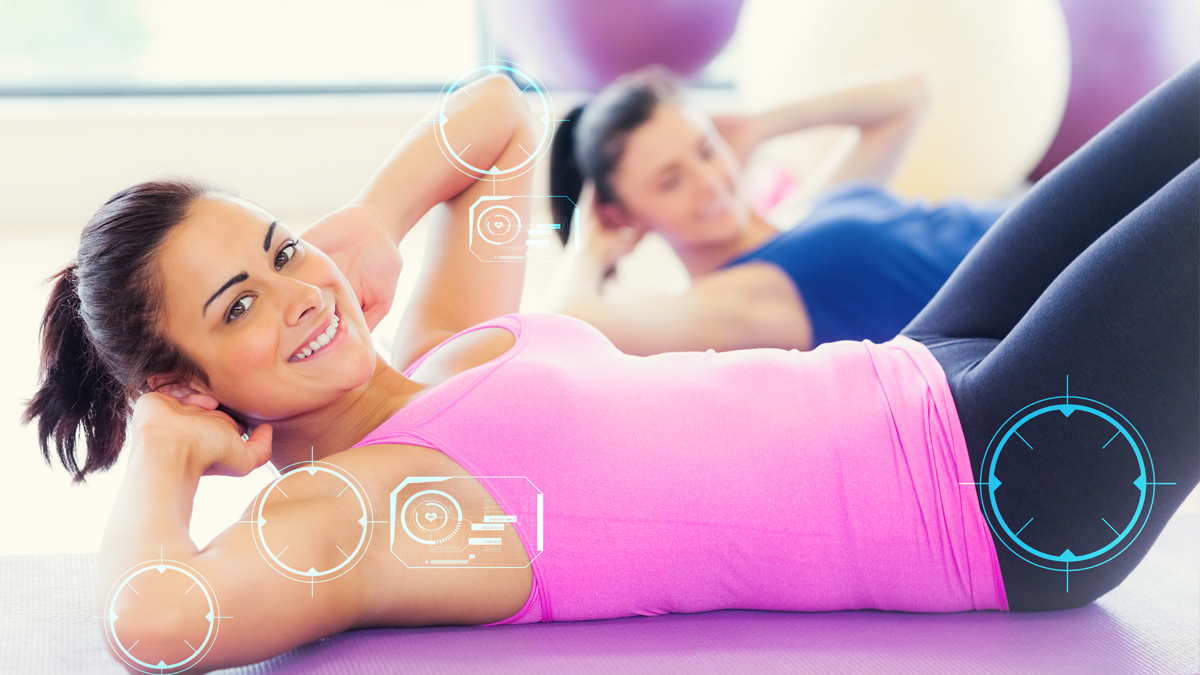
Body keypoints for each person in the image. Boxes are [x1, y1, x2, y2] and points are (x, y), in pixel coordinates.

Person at [22, 63, 1198, 673]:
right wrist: (167, 455)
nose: (300, 293)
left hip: (931, 367)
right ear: (189, 382)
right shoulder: (371, 511)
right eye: (241, 306)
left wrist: (376, 214)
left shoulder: (439, 349)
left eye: (279, 251)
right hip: (1011, 489)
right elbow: (156, 623)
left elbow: (504, 115)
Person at [549, 66, 1009, 354]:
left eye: (707, 149)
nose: (709, 181)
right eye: (671, 180)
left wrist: (760, 124)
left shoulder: (802, 210)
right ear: (623, 215)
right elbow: (573, 324)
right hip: (1035, 282)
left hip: (1025, 225)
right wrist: (588, 247)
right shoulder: (735, 298)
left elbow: (908, 97)